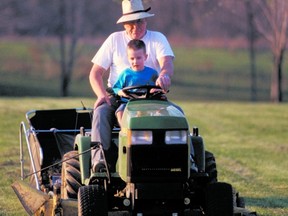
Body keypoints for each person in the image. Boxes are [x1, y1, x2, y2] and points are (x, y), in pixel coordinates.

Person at [89, 0, 175, 172]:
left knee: (176, 114)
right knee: (100, 112)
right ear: (124, 24)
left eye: (139, 21)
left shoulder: (158, 38)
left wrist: (164, 75)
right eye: (131, 23)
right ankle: (100, 161)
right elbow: (95, 73)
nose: (136, 27)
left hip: (152, 97)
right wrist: (101, 95)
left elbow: (166, 63)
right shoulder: (114, 40)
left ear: (146, 20)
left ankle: (186, 160)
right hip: (119, 96)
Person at [113, 39, 159, 126]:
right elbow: (116, 88)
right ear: (127, 58)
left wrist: (155, 90)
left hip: (147, 103)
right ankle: (124, 131)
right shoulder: (125, 74)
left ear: (145, 57)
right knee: (120, 112)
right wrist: (121, 92)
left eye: (139, 58)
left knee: (160, 111)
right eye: (132, 58)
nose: (135, 62)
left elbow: (158, 88)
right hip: (128, 103)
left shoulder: (152, 73)